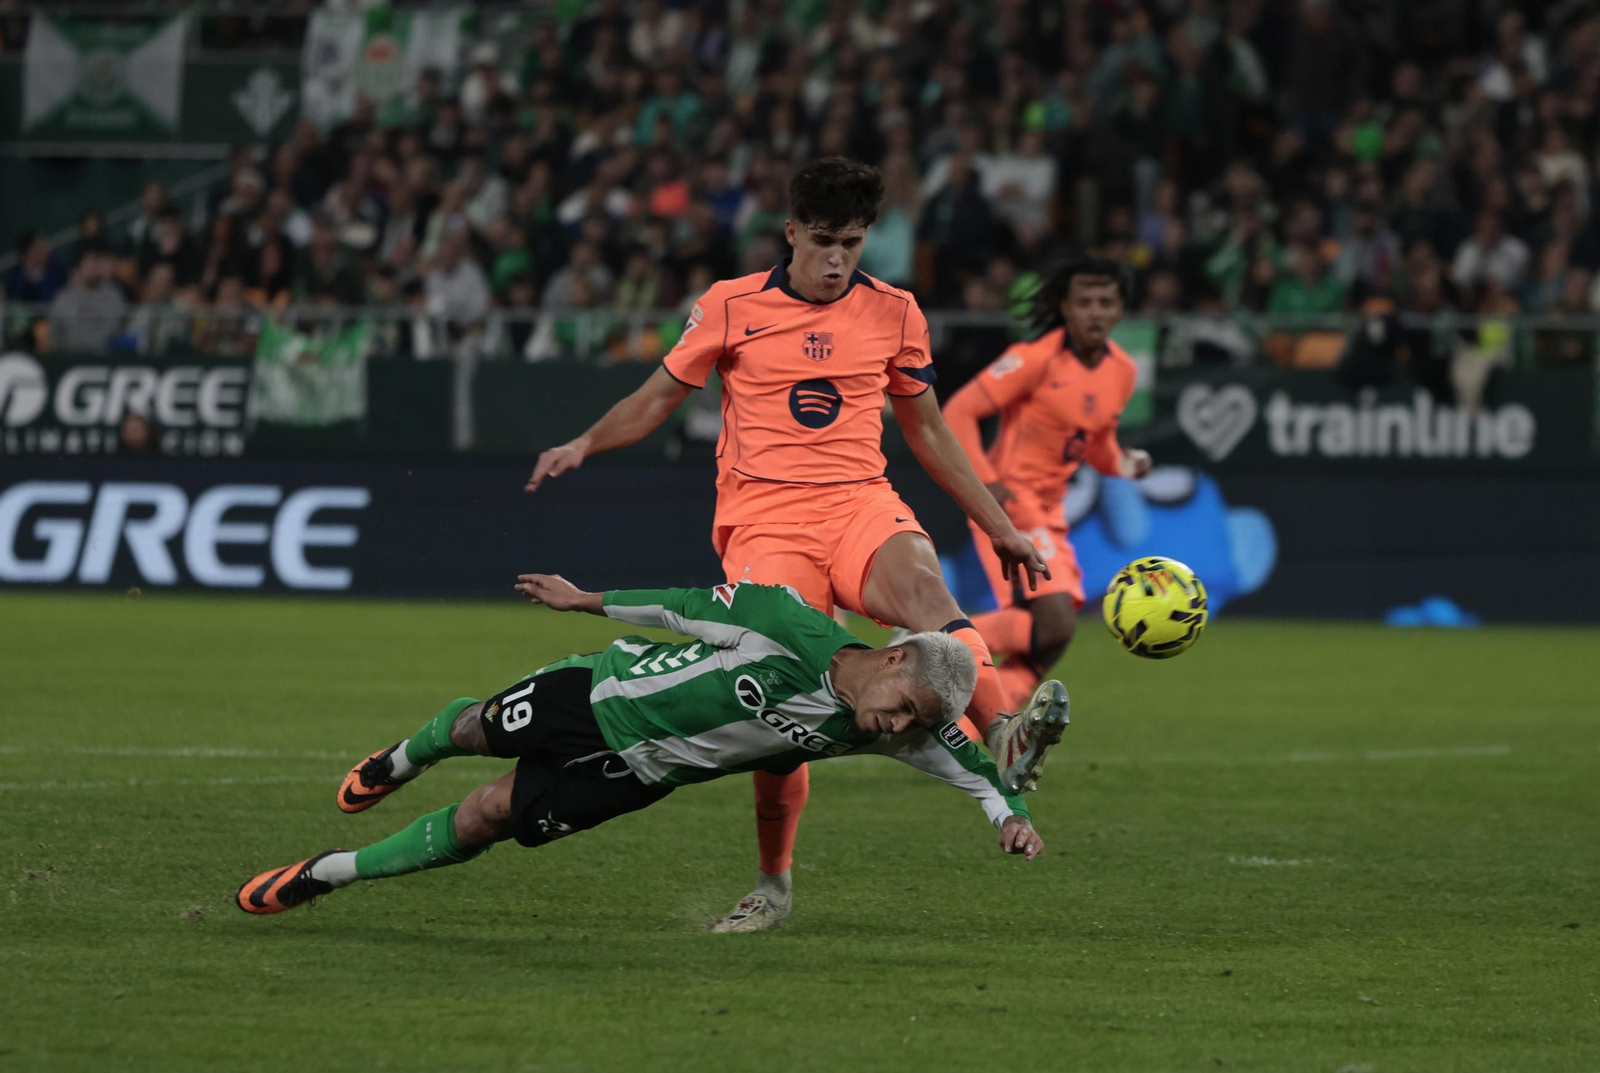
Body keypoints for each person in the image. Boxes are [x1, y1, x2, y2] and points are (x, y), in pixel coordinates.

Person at [525, 157, 1065, 933]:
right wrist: (584, 443)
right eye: (822, 241)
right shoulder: (730, 305)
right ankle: (772, 884)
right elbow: (656, 398)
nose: (837, 258)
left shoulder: (896, 312)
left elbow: (929, 431)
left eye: (852, 242)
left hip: (858, 504)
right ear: (791, 234)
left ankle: (1005, 729)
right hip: (765, 520)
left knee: (929, 594)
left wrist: (997, 524)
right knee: (785, 702)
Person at [236, 575, 1044, 917]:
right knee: (471, 728)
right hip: (599, 694)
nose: (899, 728)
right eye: (903, 710)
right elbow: (680, 605)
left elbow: (978, 769)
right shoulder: (785, 623)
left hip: (636, 775)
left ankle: (328, 871)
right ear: (894, 660)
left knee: (487, 817)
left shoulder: (896, 724)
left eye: (913, 723)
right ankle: (402, 759)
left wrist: (1009, 817)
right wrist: (583, 600)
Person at [941, 257, 1153, 711]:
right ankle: (928, 643)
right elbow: (958, 411)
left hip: (1050, 510)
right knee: (1055, 624)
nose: (1095, 312)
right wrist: (987, 483)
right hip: (1011, 503)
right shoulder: (1034, 358)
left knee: (1048, 638)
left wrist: (1127, 464)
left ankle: (989, 718)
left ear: (1120, 309)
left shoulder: (1122, 370)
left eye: (1105, 302)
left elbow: (1097, 446)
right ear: (1065, 307)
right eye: (1084, 302)